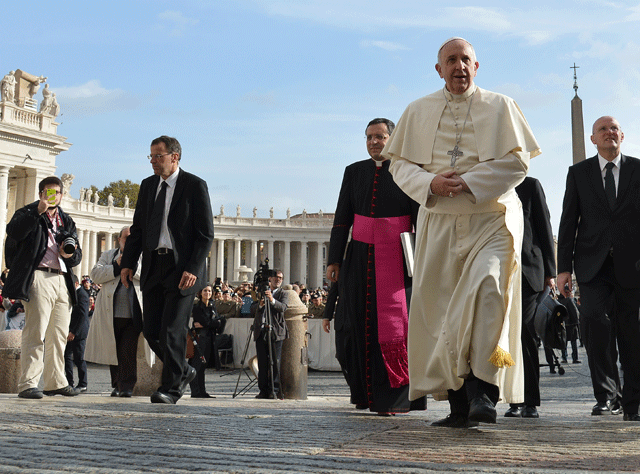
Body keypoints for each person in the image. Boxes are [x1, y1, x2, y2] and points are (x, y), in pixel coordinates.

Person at [384, 37, 540, 427]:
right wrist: (431, 184)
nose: (459, 66)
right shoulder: (417, 110)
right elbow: (400, 167)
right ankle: (457, 403)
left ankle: (484, 390)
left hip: (492, 216)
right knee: (441, 311)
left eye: (466, 59)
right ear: (438, 69)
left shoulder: (501, 106)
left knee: (489, 290)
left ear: (477, 65)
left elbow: (518, 163)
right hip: (438, 220)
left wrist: (470, 181)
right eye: (450, 60)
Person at [325, 118, 426, 415]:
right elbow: (342, 217)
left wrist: (422, 257)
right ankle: (364, 394)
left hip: (397, 257)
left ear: (393, 139)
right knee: (360, 326)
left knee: (397, 328)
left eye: (380, 137)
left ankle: (395, 398)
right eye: (369, 137)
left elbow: (421, 218)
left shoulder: (409, 170)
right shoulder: (354, 172)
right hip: (359, 258)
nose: (373, 142)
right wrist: (335, 258)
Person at [120, 135, 215, 404]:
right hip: (153, 265)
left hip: (182, 268)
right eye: (150, 156)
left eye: (158, 156)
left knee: (172, 330)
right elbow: (138, 229)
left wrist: (194, 268)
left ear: (174, 157)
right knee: (151, 330)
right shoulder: (148, 186)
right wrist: (128, 262)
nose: (152, 161)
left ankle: (172, 389)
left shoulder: (195, 185)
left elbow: (205, 234)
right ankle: (183, 370)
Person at [557, 116, 640, 422]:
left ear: (623, 135)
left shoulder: (638, 169)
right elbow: (569, 220)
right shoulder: (578, 173)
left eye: (614, 128)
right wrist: (563, 268)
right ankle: (606, 395)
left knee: (633, 332)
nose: (609, 133)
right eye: (602, 129)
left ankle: (633, 401)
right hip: (592, 264)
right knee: (594, 323)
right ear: (592, 139)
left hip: (633, 264)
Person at [3, 176, 83, 399]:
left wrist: (70, 253)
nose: (53, 196)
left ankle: (55, 381)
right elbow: (15, 232)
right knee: (35, 332)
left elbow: (77, 254)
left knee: (58, 333)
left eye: (56, 192)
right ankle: (28, 383)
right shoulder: (27, 213)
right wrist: (37, 212)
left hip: (62, 279)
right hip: (38, 276)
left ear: (61, 194)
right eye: (48, 192)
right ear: (40, 194)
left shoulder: (66, 220)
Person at [503, 177, 556, 418]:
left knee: (524, 334)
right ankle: (512, 398)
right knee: (502, 335)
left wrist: (551, 273)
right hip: (499, 270)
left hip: (528, 272)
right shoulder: (490, 183)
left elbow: (544, 226)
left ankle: (529, 400)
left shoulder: (531, 185)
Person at [85, 226, 154, 397]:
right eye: (125, 238)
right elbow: (95, 274)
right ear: (119, 240)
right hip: (111, 311)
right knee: (113, 349)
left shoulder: (144, 256)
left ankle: (127, 386)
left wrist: (131, 264)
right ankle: (117, 384)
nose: (129, 242)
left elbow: (148, 275)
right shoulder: (108, 255)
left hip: (133, 311)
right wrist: (116, 265)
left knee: (127, 349)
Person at [251, 269, 287, 399]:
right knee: (262, 362)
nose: (278, 280)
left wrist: (272, 300)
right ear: (270, 279)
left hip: (276, 332)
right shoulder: (262, 291)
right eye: (276, 277)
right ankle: (263, 390)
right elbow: (252, 308)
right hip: (261, 331)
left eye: (281, 278)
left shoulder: (283, 293)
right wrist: (260, 305)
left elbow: (283, 307)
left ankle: (274, 389)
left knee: (275, 362)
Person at [189, 284, 224, 398]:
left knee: (203, 367)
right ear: (200, 293)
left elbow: (219, 322)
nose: (207, 293)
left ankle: (202, 391)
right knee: (197, 365)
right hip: (200, 339)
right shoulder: (197, 306)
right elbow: (206, 321)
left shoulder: (212, 306)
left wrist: (213, 323)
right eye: (205, 291)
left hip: (210, 338)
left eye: (209, 291)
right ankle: (195, 391)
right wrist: (213, 323)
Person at [64, 279, 91, 393]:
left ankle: (83, 383)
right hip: (70, 330)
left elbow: (82, 315)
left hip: (78, 332)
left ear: (76, 283)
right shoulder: (75, 293)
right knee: (67, 357)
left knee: (79, 358)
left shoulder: (82, 294)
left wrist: (74, 332)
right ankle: (69, 382)